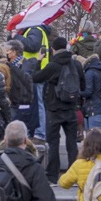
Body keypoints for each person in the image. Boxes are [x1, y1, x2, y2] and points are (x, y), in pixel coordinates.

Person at [38, 38, 83, 178]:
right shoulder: (76, 64)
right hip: (71, 109)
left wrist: (39, 60)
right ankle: (74, 174)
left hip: (54, 109)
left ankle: (52, 174)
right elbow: (83, 86)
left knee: (53, 143)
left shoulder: (53, 65)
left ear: (53, 49)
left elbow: (35, 77)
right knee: (72, 144)